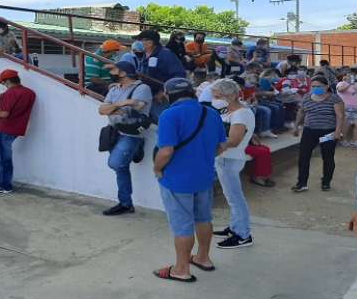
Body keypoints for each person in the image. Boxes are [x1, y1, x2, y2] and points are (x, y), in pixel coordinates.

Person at [152, 78, 227, 283]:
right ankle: (203, 258)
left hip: (177, 179)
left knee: (182, 226)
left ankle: (181, 269)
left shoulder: (169, 115)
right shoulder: (211, 113)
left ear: (169, 94)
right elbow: (221, 146)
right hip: (204, 177)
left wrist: (157, 168)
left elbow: (166, 150)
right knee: (204, 218)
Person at [98, 61, 153, 216]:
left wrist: (115, 108)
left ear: (123, 72)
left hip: (131, 133)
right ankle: (125, 203)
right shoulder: (115, 88)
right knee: (120, 167)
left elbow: (135, 110)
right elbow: (102, 110)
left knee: (115, 163)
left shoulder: (142, 88)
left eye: (114, 69)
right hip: (114, 131)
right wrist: (123, 103)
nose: (111, 72)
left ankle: (136, 149)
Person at [210, 79, 255, 249]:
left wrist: (209, 152)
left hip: (230, 158)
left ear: (231, 95)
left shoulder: (241, 113)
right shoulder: (229, 110)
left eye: (218, 96)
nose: (215, 99)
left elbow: (234, 140)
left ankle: (243, 234)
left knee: (235, 198)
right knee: (231, 197)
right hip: (225, 158)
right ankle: (235, 226)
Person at [292, 76, 344, 192]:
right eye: (313, 86)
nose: (315, 88)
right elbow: (301, 111)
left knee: (327, 157)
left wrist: (338, 131)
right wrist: (296, 126)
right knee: (303, 157)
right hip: (309, 131)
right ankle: (302, 183)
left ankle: (326, 182)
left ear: (326, 86)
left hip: (327, 132)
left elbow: (340, 116)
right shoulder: (306, 97)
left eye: (319, 86)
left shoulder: (334, 99)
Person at [135, 30, 187, 123]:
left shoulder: (166, 55)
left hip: (160, 98)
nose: (137, 43)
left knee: (163, 121)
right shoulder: (145, 54)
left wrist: (163, 91)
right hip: (147, 94)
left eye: (140, 40)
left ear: (150, 43)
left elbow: (179, 75)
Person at [336, 76, 357, 148]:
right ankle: (343, 140)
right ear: (343, 78)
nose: (350, 77)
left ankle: (356, 141)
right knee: (346, 126)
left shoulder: (355, 84)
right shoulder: (340, 84)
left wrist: (353, 85)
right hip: (346, 109)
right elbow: (340, 90)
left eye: (351, 76)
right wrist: (349, 84)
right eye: (348, 76)